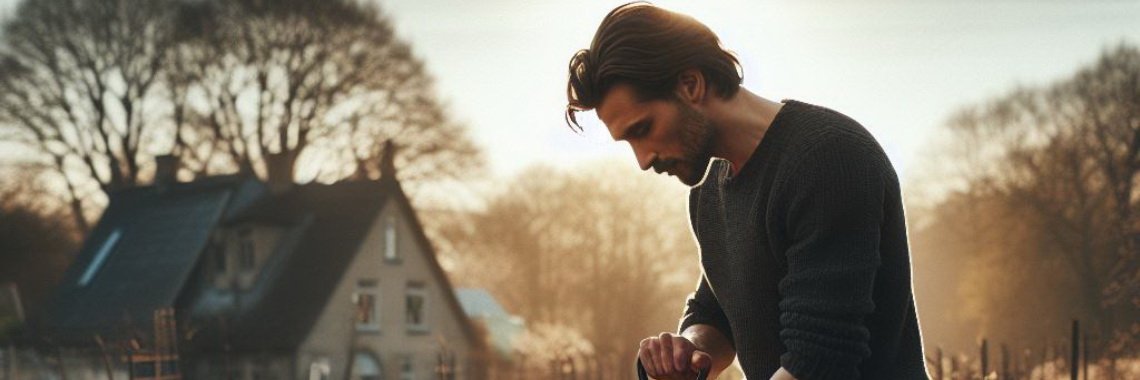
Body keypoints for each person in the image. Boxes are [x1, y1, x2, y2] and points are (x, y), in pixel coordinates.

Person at [564, 3, 929, 380]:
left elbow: (818, 362)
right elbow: (719, 310)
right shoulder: (708, 190)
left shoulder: (827, 158)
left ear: (690, 85)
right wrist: (690, 350)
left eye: (642, 129)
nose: (642, 160)